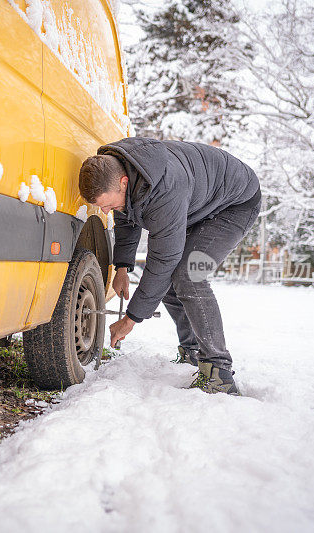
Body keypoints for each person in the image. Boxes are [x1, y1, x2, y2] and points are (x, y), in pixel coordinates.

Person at [78, 137, 261, 395]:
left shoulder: (164, 190)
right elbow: (126, 218)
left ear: (123, 182)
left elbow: (163, 261)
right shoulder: (120, 170)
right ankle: (193, 352)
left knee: (189, 274)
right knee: (174, 276)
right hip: (198, 203)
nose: (106, 212)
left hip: (235, 205)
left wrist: (131, 319)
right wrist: (122, 267)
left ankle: (219, 374)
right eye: (102, 207)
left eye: (108, 205)